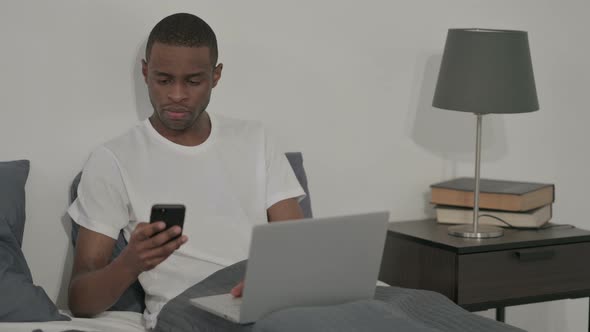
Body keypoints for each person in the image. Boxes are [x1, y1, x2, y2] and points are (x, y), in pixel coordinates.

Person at [67, 12, 305, 328]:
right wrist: (130, 263)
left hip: (266, 304)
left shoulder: (255, 138)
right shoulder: (113, 159)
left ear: (215, 76)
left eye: (193, 81)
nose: (177, 95)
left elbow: (300, 248)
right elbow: (80, 300)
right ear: (145, 72)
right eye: (163, 80)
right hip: (189, 312)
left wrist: (271, 284)